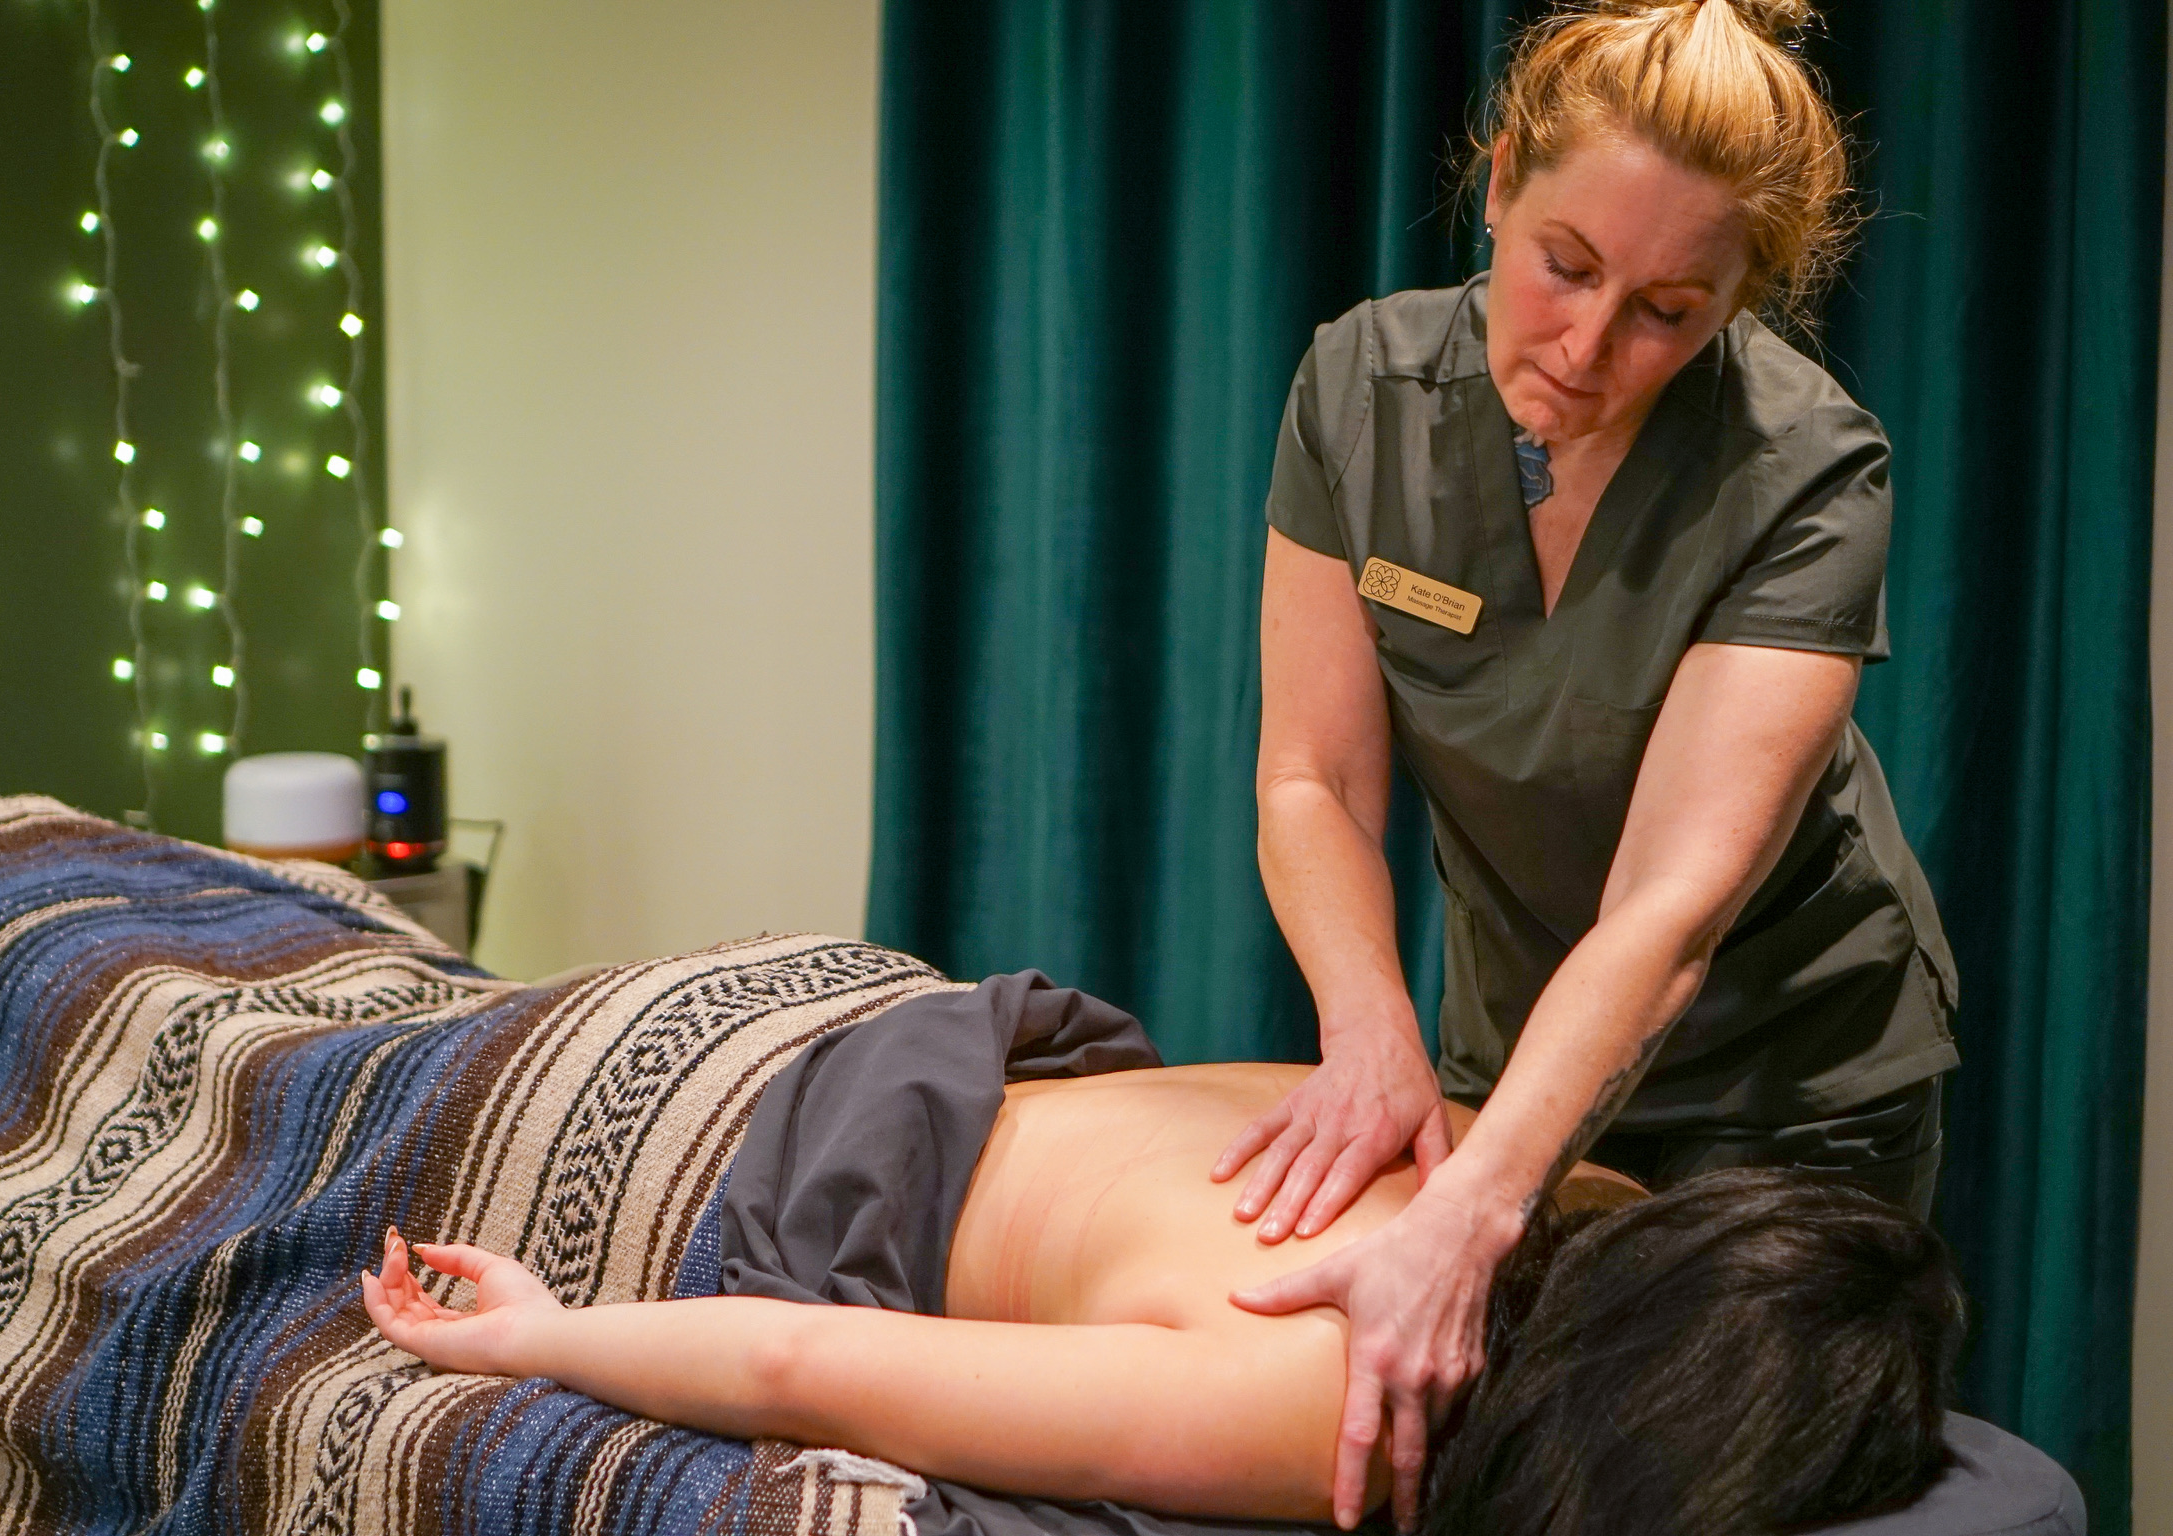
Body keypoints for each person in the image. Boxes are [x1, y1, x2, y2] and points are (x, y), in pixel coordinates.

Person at [1217, 0, 1960, 1523]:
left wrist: (1472, 1215)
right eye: (1562, 264)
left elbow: (1666, 909)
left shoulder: (1804, 473)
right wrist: (1370, 1034)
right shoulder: (1358, 395)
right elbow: (1312, 780)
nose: (1585, 343)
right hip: (1508, 1050)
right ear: (1495, 187)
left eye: (1666, 311)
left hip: (1789, 1085)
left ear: (1738, 300)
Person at [362, 1062, 1966, 1534]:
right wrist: (538, 1334)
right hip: (716, 1141)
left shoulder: (1547, 1187)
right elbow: (795, 1363)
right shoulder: (1339, 1393)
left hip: (867, 1017)